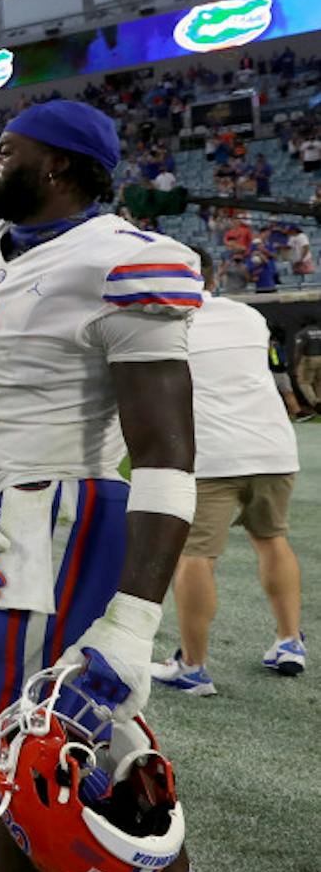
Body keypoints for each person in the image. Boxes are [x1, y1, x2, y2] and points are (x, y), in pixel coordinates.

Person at [0, 99, 253, 872]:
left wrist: (134, 619)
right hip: (1, 516)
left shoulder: (126, 255)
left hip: (67, 515)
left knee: (17, 745)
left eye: (7, 149)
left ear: (61, 165)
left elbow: (166, 456)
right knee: (106, 742)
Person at [151, 247, 304, 691]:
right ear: (212, 278)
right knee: (272, 540)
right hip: (274, 449)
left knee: (196, 556)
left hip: (213, 455)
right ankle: (289, 639)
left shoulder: (164, 326)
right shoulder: (249, 317)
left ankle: (193, 667)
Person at [294, 318, 321, 410]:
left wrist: (296, 365)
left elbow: (299, 350)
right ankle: (320, 400)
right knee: (319, 382)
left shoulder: (302, 333)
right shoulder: (319, 331)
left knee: (304, 382)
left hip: (309, 358)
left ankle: (315, 403)